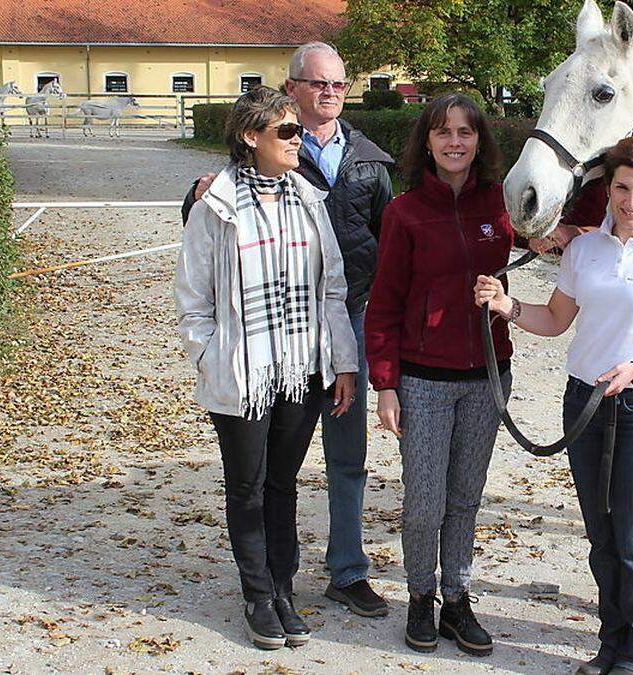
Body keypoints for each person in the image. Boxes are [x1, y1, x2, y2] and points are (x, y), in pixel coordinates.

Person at [475, 136, 633, 675]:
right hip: (583, 402)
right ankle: (613, 645)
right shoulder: (584, 251)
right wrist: (506, 305)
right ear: (607, 190)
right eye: (622, 188)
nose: (632, 201)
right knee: (602, 537)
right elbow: (557, 320)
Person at [182, 42, 394, 618]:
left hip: (320, 343)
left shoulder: (358, 171)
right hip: (246, 358)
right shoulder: (218, 200)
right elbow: (194, 293)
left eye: (339, 85)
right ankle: (263, 594)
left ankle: (319, 577)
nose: (329, 94)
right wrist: (211, 355)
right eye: (317, 84)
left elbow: (369, 263)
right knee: (252, 484)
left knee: (310, 471)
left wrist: (352, 355)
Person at [364, 93, 515, 657]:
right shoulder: (404, 212)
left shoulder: (501, 205)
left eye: (466, 132)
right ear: (426, 141)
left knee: (465, 497)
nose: (456, 142)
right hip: (423, 380)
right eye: (444, 132)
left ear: (481, 141)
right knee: (425, 498)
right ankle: (421, 597)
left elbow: (561, 220)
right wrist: (385, 383)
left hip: (487, 374)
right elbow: (383, 304)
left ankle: (457, 597)